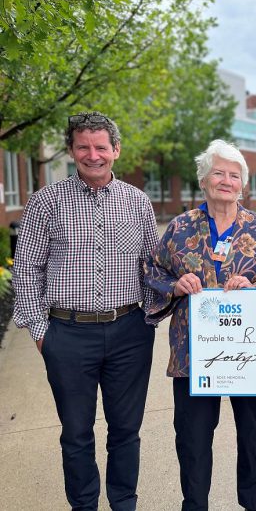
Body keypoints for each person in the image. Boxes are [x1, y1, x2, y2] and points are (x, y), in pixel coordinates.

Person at [144, 139, 256, 511]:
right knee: (193, 441)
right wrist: (175, 285)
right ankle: (195, 505)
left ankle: (254, 505)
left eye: (234, 175)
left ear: (243, 185)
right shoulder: (181, 227)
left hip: (249, 354)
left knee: (252, 438)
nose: (226, 181)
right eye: (218, 172)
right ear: (204, 179)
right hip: (193, 357)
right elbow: (152, 269)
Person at [12, 111, 158, 510]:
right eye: (83, 147)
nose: (92, 155)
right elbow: (26, 268)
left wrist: (154, 315)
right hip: (67, 335)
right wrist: (42, 332)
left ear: (116, 150)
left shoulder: (138, 202)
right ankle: (84, 505)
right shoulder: (46, 201)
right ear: (72, 149)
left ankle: (124, 502)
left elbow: (153, 266)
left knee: (126, 430)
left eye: (100, 147)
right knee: (76, 433)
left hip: (130, 332)